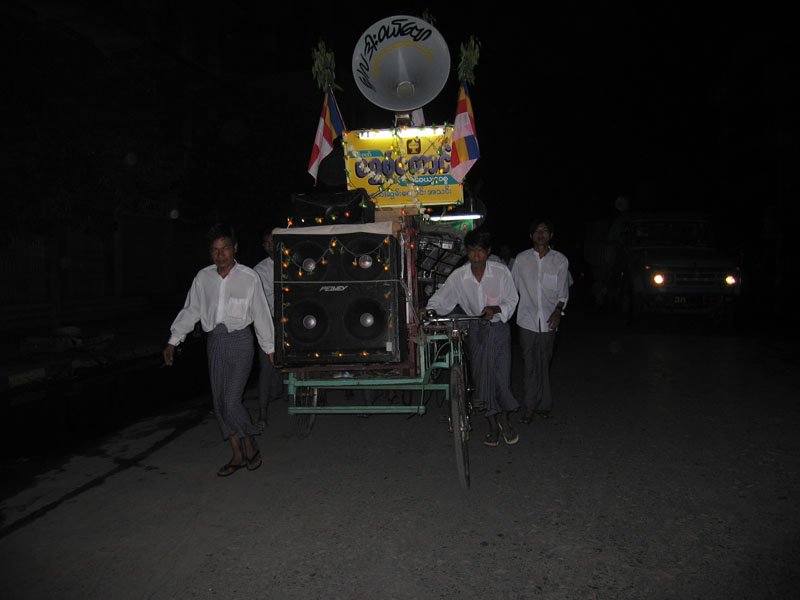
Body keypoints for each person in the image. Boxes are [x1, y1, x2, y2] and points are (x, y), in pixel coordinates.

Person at [163, 223, 274, 476]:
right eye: (215, 250)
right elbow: (191, 310)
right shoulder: (203, 278)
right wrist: (173, 340)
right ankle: (237, 453)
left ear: (235, 249)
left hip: (241, 341)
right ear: (210, 253)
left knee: (232, 399)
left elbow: (260, 313)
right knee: (220, 402)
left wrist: (269, 347)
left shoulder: (249, 277)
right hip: (215, 341)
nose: (220, 254)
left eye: (225, 249)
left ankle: (250, 439)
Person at [422, 228, 521, 447]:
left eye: (481, 251)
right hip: (476, 331)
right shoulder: (459, 276)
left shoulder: (501, 271)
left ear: (488, 251)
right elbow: (441, 298)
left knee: (501, 379)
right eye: (472, 251)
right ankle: (493, 425)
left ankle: (505, 419)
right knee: (482, 378)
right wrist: (428, 311)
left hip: (499, 330)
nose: (476, 256)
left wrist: (496, 309)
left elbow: (512, 299)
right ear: (467, 252)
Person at [511, 218, 570, 423]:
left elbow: (563, 293)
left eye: (545, 231)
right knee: (529, 365)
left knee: (544, 363)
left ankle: (544, 405)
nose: (541, 234)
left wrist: (557, 312)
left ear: (551, 235)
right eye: (537, 231)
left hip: (549, 321)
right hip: (526, 320)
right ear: (531, 236)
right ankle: (529, 406)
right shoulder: (521, 259)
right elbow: (513, 289)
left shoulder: (560, 261)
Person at [252, 228, 285, 429]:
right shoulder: (259, 270)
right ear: (265, 247)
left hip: (292, 320)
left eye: (276, 241)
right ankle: (262, 411)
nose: (273, 246)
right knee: (266, 366)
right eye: (269, 243)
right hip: (269, 320)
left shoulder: (293, 262)